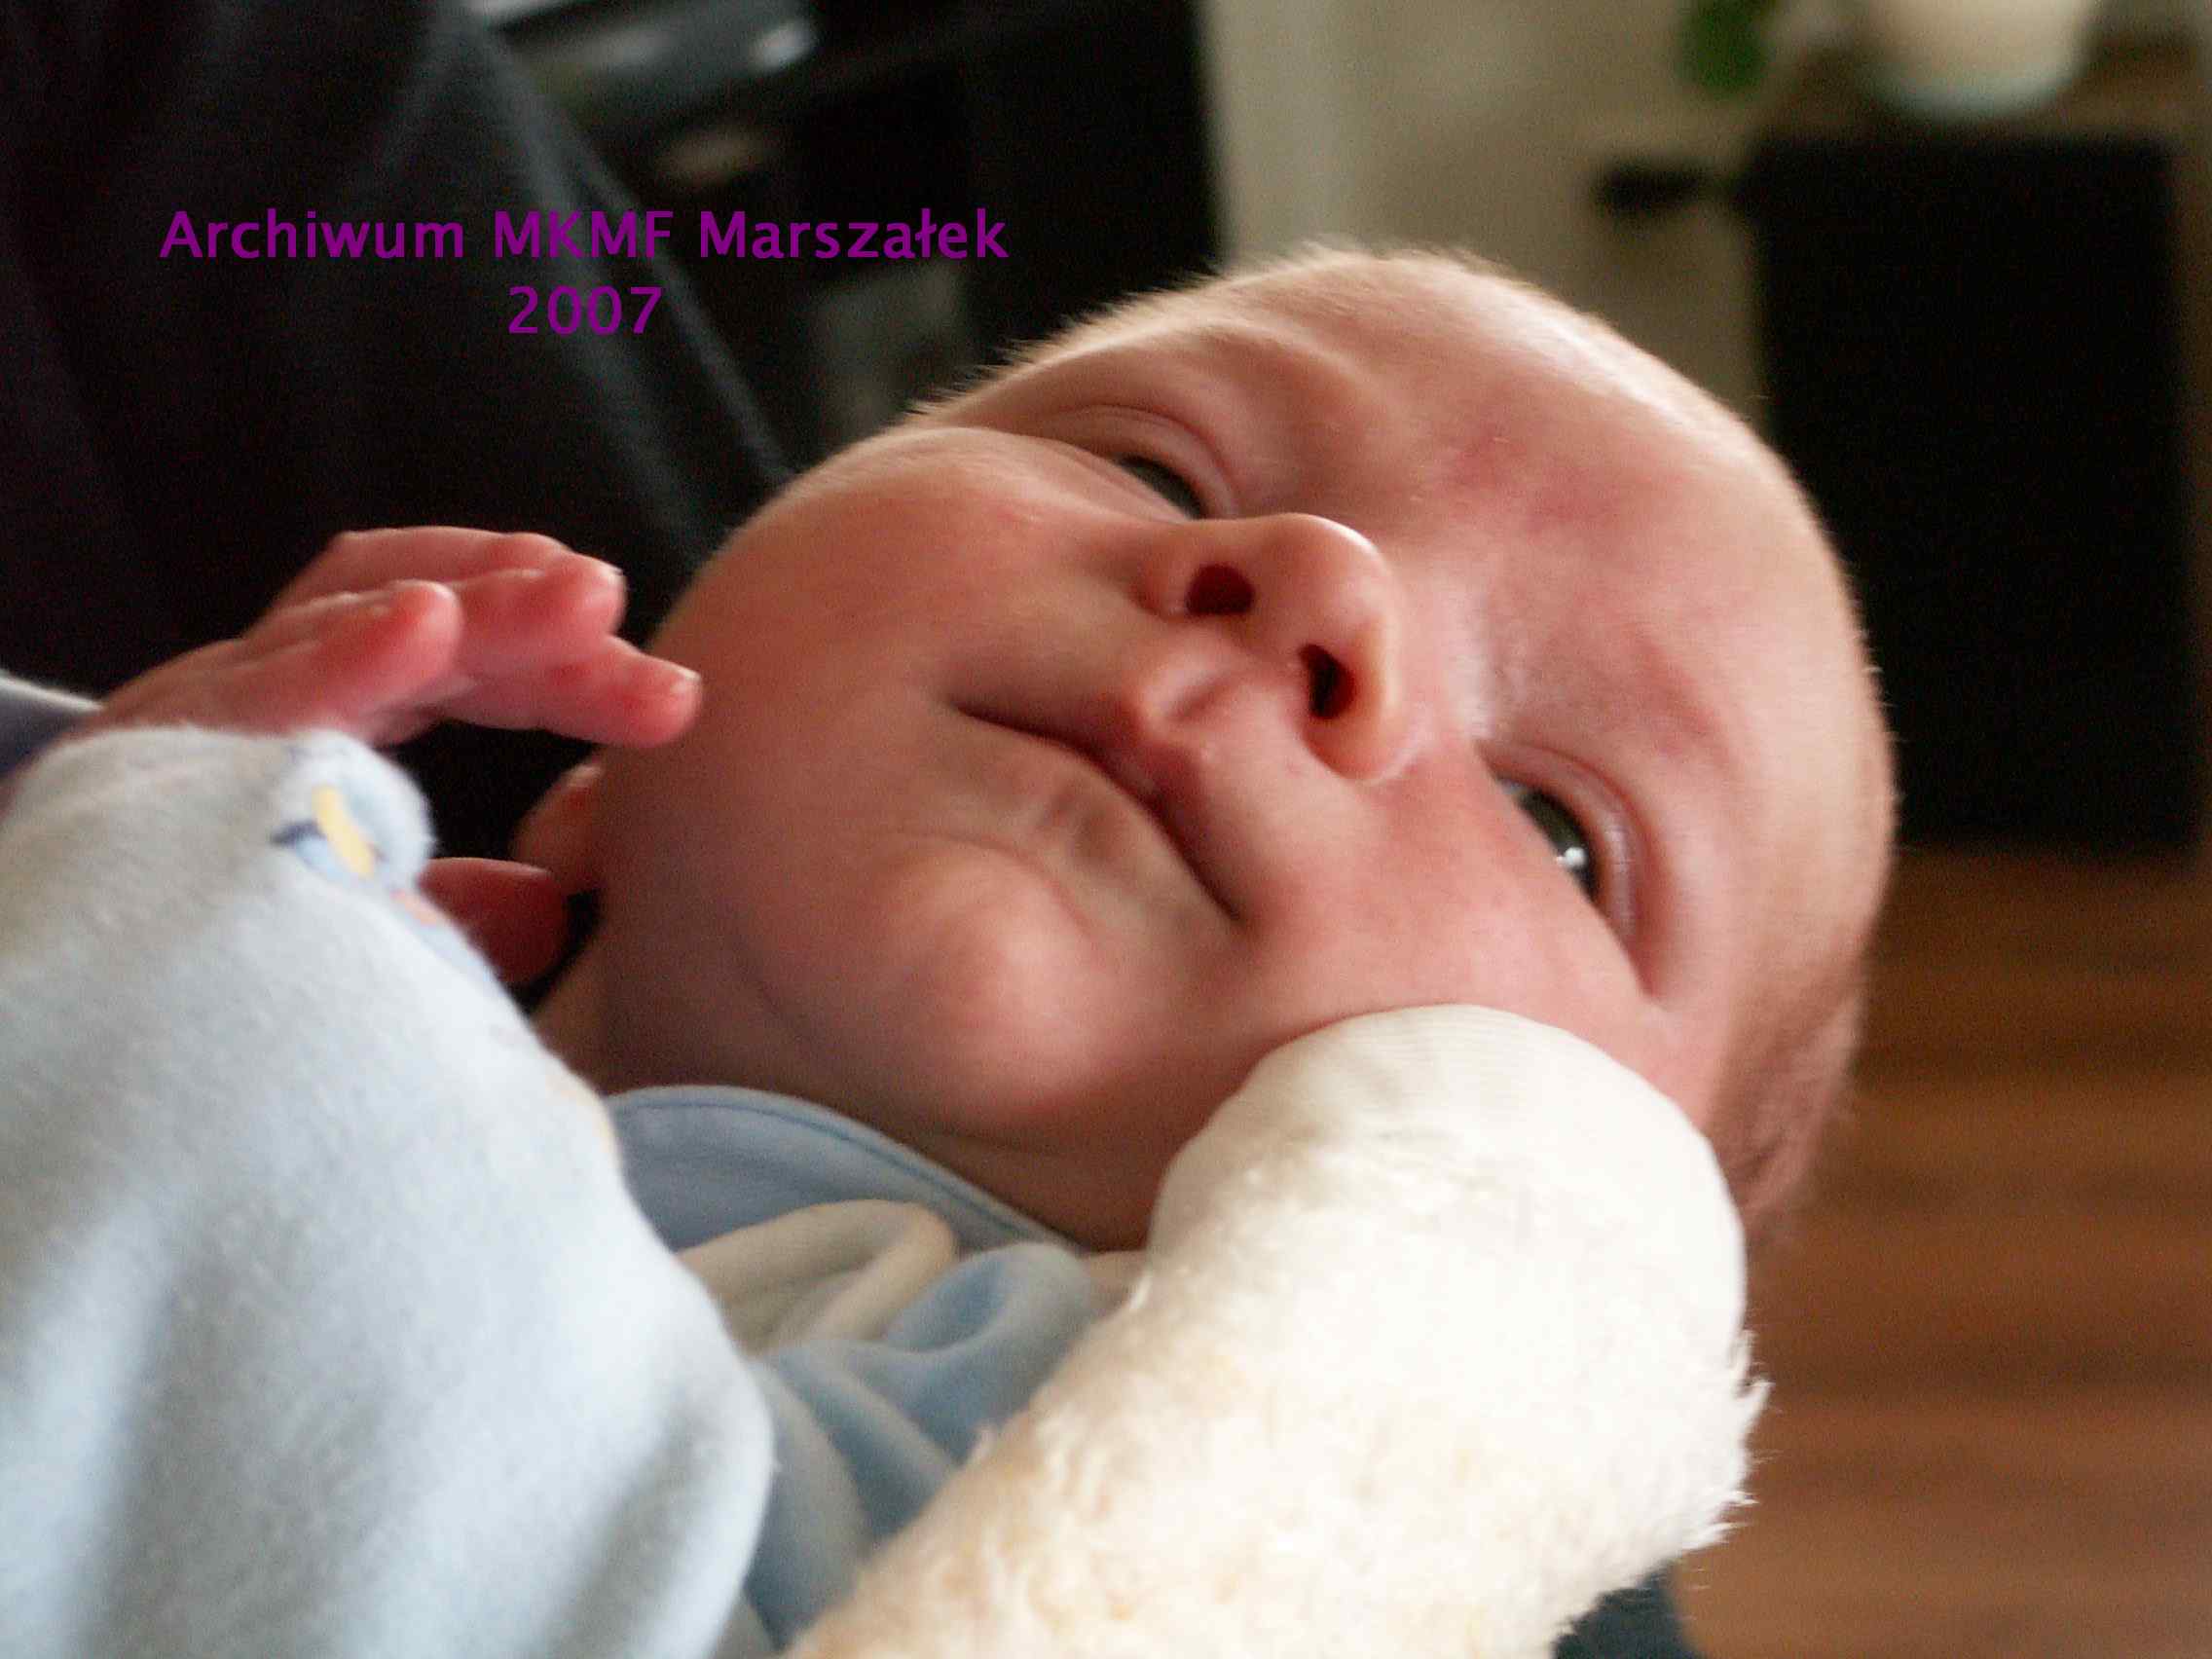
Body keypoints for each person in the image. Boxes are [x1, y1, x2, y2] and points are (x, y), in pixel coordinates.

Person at [0, 245, 1891, 1655]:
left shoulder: (1121, 1469)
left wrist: (201, 930)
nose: (1313, 586)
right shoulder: (264, 898)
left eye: (1561, 828)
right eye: (1160, 468)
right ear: (585, 783)